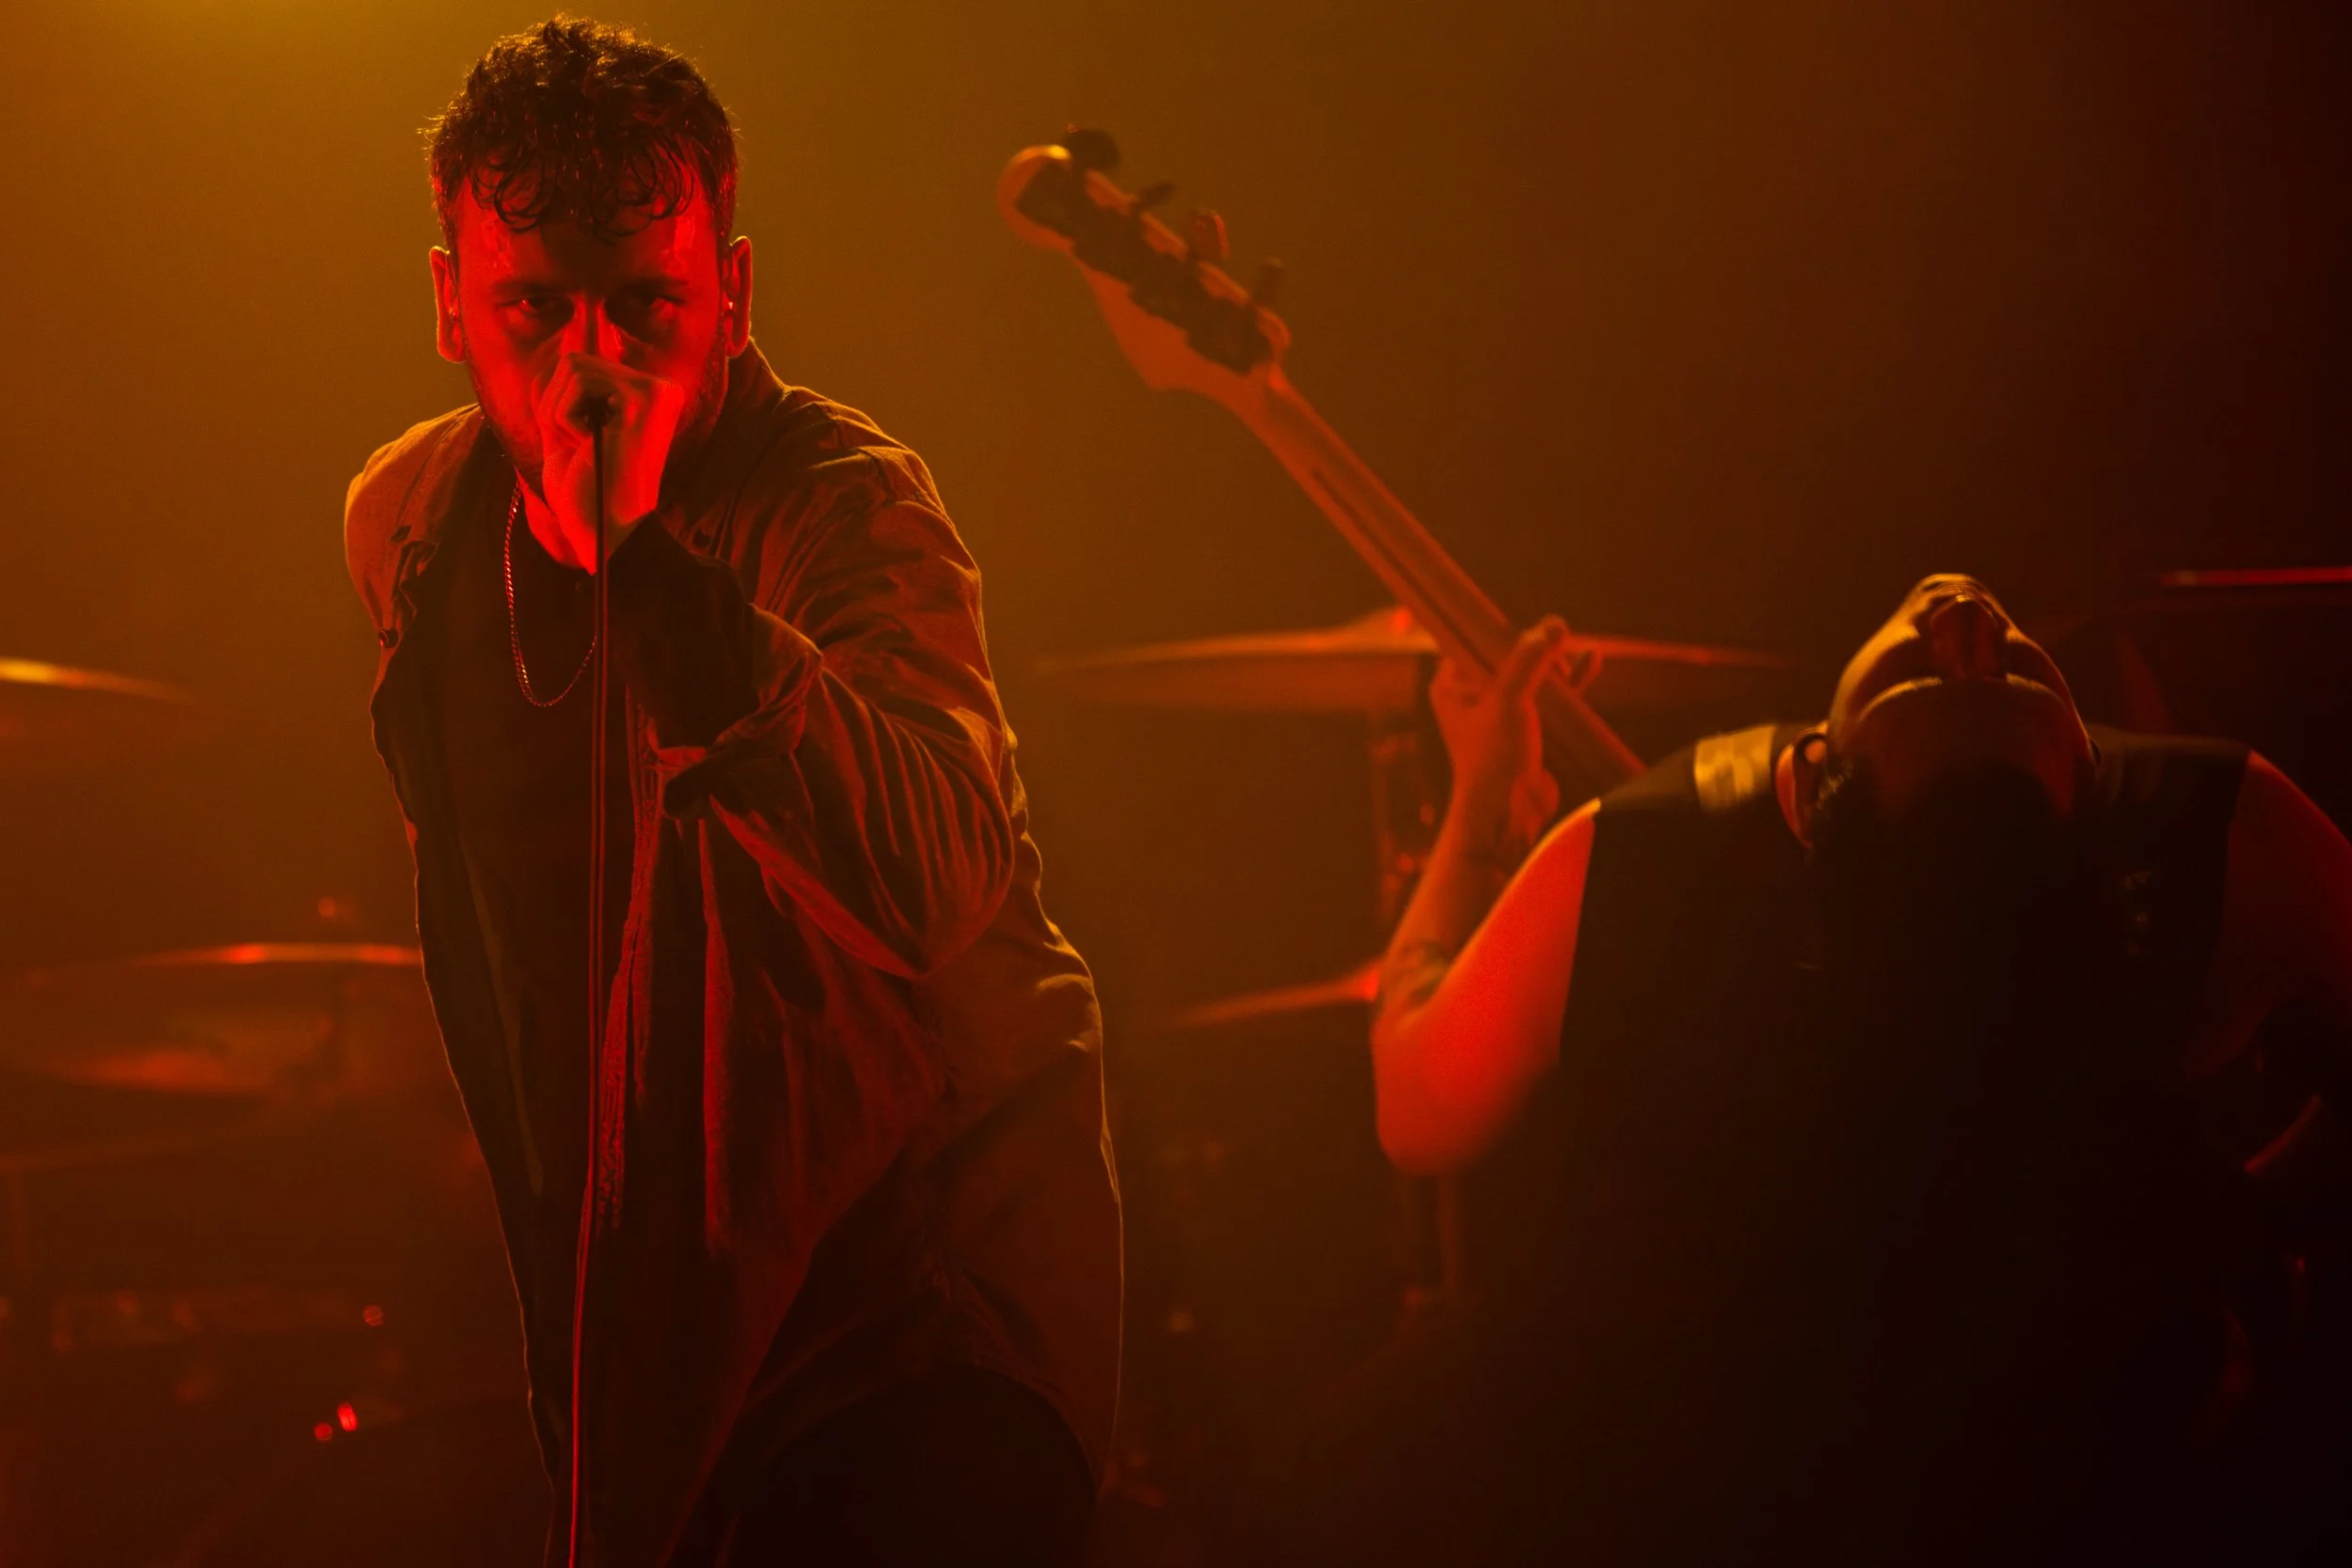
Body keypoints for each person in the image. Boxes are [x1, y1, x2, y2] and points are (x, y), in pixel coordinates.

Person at [342, 20, 1117, 1567]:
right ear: (447, 305)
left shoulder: (842, 503)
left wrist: (654, 574)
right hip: (664, 1352)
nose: (594, 366)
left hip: (920, 1325)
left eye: (648, 309)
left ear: (736, 294)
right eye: (533, 311)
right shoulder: (411, 526)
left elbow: (937, 871)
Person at [1313, 575, 2352, 1563]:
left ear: (1814, 791)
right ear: (2098, 781)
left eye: (1916, 684)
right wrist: (2260, 1211)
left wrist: (1479, 805)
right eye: (2018, 681)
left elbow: (1416, 1107)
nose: (1966, 621)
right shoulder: (2223, 833)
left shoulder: (1625, 864)